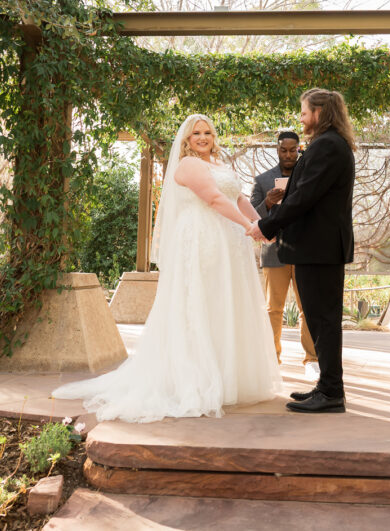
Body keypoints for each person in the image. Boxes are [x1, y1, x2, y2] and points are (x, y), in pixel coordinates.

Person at [53, 114, 282, 422]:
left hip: (228, 243)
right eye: (196, 133)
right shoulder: (188, 166)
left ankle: (228, 379)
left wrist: (262, 223)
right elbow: (214, 199)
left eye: (207, 132)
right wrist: (250, 227)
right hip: (203, 239)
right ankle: (194, 380)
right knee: (198, 305)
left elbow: (237, 197)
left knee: (223, 304)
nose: (202, 137)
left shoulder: (219, 164)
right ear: (186, 139)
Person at [247, 89, 356, 414]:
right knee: (323, 320)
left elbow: (303, 197)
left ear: (320, 113)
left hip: (318, 249)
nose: (301, 117)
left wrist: (266, 226)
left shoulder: (327, 146)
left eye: (305, 112)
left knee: (323, 320)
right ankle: (326, 387)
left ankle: (332, 392)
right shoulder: (331, 144)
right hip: (317, 248)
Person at [250, 131, 319, 379]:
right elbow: (252, 218)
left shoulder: (311, 177)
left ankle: (311, 360)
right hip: (274, 252)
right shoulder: (262, 181)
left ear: (299, 149)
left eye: (293, 150)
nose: (288, 154)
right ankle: (272, 359)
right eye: (283, 150)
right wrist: (267, 204)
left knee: (307, 309)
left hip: (304, 251)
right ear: (277, 150)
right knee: (273, 309)